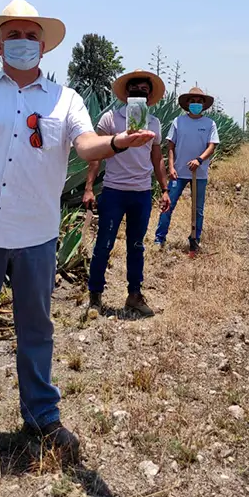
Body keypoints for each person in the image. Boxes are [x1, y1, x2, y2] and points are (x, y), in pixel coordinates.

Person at [0, 0, 156, 480]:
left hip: (37, 234)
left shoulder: (65, 100)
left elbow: (84, 144)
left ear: (43, 46)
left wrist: (115, 144)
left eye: (31, 35)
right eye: (14, 34)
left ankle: (42, 419)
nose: (23, 42)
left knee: (38, 331)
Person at [82, 69, 170, 317]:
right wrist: (89, 187)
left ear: (149, 96)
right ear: (126, 93)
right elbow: (96, 155)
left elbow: (157, 157)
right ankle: (95, 295)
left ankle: (134, 295)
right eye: (135, 89)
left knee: (136, 245)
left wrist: (164, 189)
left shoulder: (153, 123)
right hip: (114, 191)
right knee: (104, 243)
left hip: (141, 192)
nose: (138, 93)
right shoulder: (110, 119)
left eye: (143, 91)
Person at [154, 86, 219, 249]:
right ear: (187, 104)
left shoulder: (210, 124)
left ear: (203, 105)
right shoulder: (178, 121)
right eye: (193, 101)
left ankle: (194, 239)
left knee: (198, 209)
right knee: (168, 205)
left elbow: (212, 146)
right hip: (178, 173)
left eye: (199, 101)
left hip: (200, 173)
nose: (196, 104)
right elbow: (170, 145)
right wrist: (171, 167)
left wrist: (199, 160)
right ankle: (159, 239)